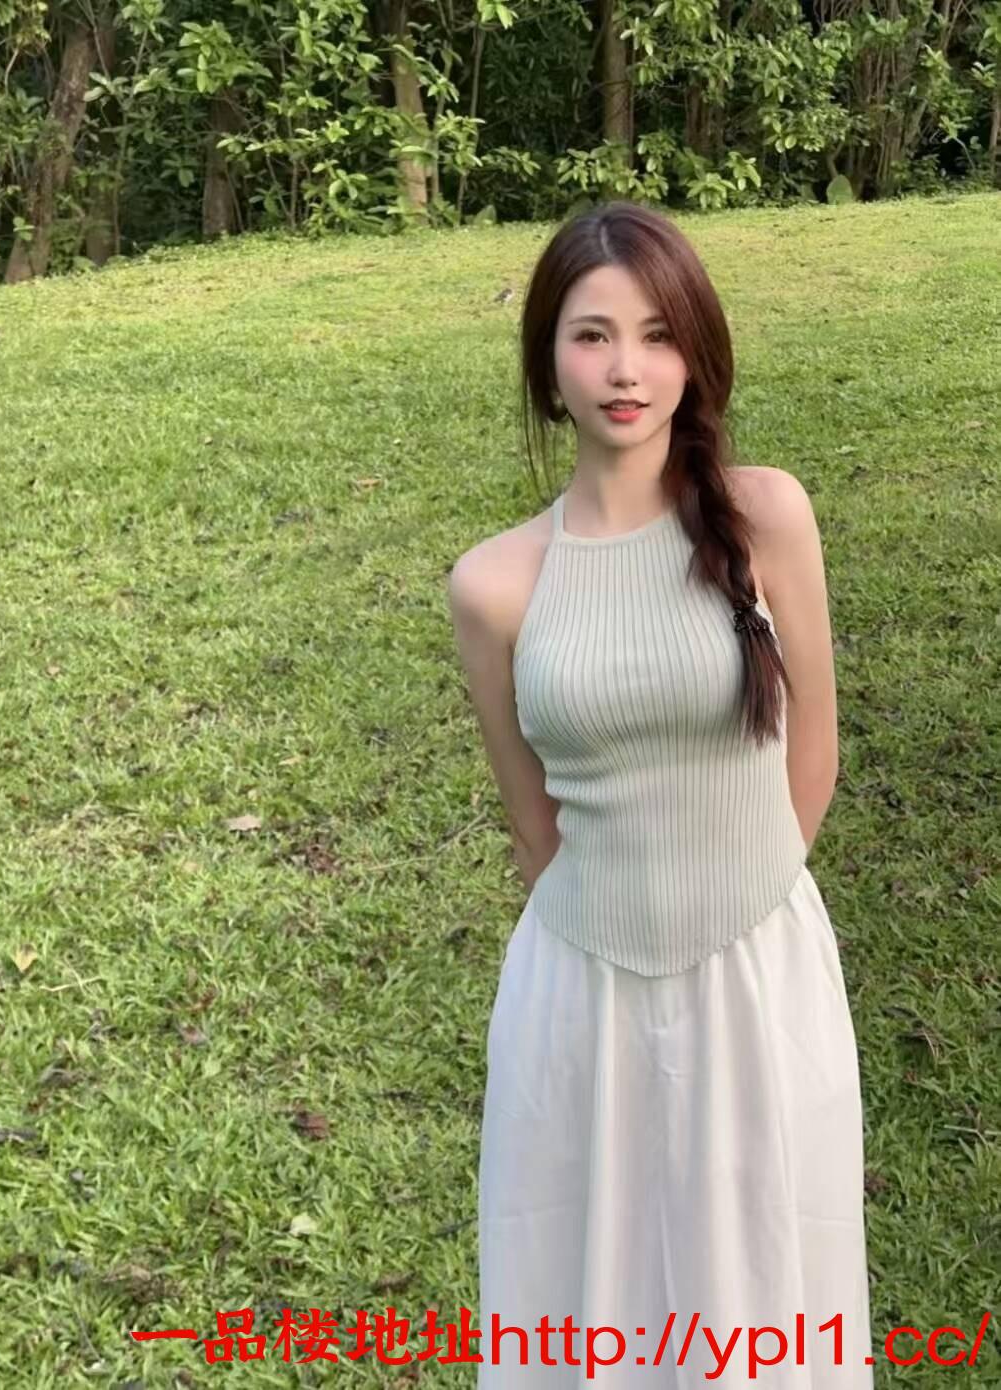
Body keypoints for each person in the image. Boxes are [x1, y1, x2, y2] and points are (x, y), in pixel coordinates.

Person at [446, 200, 874, 1386]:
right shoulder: (493, 584)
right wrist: (616, 951)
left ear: (695, 355)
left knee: (765, 1291)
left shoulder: (766, 514)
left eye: (655, 334)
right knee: (592, 1303)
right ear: (547, 362)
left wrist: (741, 915)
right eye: (591, 335)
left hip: (760, 975)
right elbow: (531, 823)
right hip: (578, 995)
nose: (625, 370)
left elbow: (814, 749)